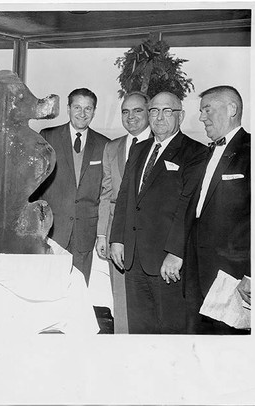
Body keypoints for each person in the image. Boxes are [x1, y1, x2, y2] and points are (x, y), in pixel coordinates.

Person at [109, 91, 209, 334]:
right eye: (154, 111)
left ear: (181, 116)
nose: (159, 117)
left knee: (170, 332)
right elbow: (125, 197)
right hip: (133, 258)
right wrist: (117, 239)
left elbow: (187, 206)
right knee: (140, 331)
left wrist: (175, 253)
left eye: (167, 111)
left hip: (167, 261)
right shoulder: (139, 149)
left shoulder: (195, 152)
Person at [184, 85, 250, 334]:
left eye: (207, 109)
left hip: (233, 278)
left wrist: (253, 274)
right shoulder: (205, 153)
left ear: (231, 109)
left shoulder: (253, 151)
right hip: (197, 273)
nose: (201, 117)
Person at [36, 88, 109, 284]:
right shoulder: (47, 137)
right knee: (49, 286)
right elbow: (36, 184)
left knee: (78, 289)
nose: (82, 113)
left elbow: (106, 192)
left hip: (85, 231)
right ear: (68, 109)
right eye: (77, 107)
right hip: (52, 229)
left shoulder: (104, 145)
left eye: (88, 108)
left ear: (94, 111)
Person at [96, 91, 151, 333]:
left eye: (138, 110)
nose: (131, 117)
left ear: (149, 112)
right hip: (116, 232)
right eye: (125, 112)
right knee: (120, 297)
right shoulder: (112, 147)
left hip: (149, 234)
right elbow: (106, 194)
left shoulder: (158, 145)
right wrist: (102, 235)